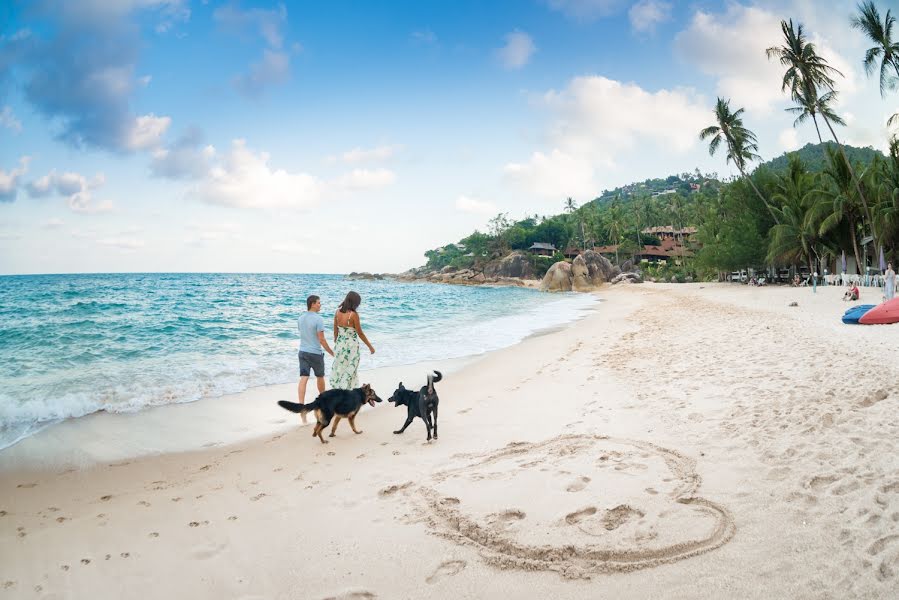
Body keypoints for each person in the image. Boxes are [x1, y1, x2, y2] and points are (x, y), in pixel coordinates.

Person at [297, 295, 334, 423]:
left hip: (302, 352)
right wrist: (331, 352)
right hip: (315, 354)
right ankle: (324, 406)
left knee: (304, 378)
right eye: (319, 303)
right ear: (312, 304)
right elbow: (321, 339)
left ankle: (302, 408)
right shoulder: (318, 319)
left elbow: (303, 334)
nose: (320, 305)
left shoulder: (300, 318)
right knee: (320, 377)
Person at [330, 291, 375, 390]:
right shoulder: (353, 315)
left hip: (340, 345)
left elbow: (335, 329)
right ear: (354, 303)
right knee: (351, 370)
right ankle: (348, 391)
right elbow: (360, 333)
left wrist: (336, 341)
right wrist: (370, 347)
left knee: (340, 369)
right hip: (351, 347)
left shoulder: (337, 312)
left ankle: (339, 391)